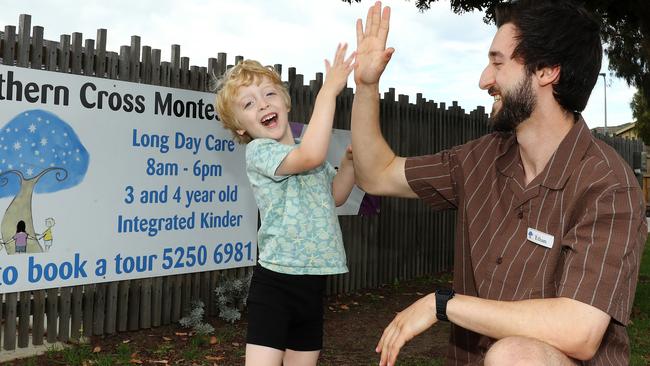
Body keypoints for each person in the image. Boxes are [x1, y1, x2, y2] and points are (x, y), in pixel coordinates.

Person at [350, 1, 646, 365]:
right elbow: (375, 174)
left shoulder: (608, 186)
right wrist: (366, 86)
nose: (484, 80)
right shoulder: (480, 158)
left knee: (514, 355)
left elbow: (579, 331)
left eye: (498, 63)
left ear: (547, 71)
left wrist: (443, 304)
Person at [215, 44, 356, 366]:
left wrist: (349, 165)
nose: (262, 104)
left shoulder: (313, 160)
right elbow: (310, 155)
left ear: (285, 102)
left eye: (269, 94)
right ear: (240, 127)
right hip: (276, 284)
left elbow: (334, 197)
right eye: (248, 104)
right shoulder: (261, 152)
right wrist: (328, 92)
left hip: (313, 285)